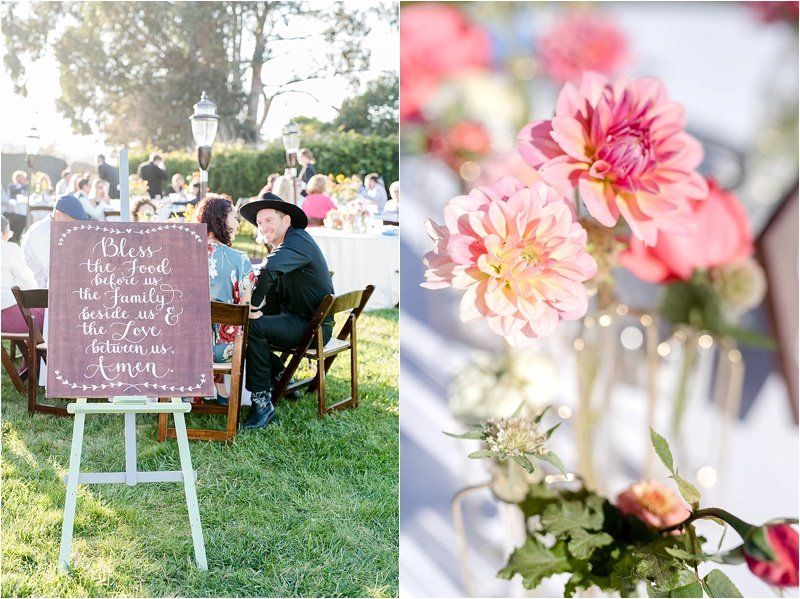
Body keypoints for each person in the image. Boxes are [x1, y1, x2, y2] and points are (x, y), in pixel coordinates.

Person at [238, 192, 334, 429]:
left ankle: (262, 404)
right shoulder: (288, 244)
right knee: (245, 326)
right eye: (259, 223)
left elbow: (269, 270)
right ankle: (280, 374)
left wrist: (251, 306)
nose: (262, 227)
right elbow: (271, 282)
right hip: (296, 317)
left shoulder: (298, 241)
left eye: (268, 220)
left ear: (286, 221)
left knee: (254, 329)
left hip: (313, 327)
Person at [195, 194, 255, 405]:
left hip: (184, 346)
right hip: (224, 352)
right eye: (233, 217)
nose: (237, 223)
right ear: (220, 219)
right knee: (236, 326)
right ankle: (223, 391)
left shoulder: (183, 255)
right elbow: (243, 308)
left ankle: (216, 389)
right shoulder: (240, 259)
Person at [1, 215, 45, 380]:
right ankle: (40, 365)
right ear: (4, 232)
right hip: (10, 316)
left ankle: (30, 363)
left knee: (34, 315)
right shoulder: (8, 249)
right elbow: (27, 281)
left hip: (4, 316)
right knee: (51, 314)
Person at [21, 195, 90, 288]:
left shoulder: (63, 231)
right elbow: (55, 272)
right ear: (58, 214)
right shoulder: (38, 233)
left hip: (61, 289)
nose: (75, 227)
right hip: (39, 295)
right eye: (72, 222)